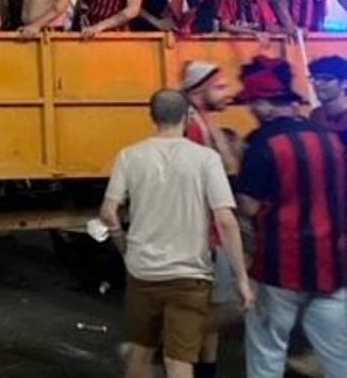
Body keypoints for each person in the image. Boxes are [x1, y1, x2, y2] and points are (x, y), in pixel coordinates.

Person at [99, 89, 252, 378]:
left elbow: (108, 212)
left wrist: (123, 246)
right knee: (178, 360)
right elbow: (226, 221)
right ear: (187, 116)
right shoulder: (206, 159)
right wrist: (241, 278)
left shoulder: (130, 156)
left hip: (143, 272)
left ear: (152, 117)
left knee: (140, 351)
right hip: (189, 276)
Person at [234, 56, 347, 378]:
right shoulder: (329, 138)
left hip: (280, 266)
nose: (253, 110)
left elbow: (249, 206)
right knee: (339, 357)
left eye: (255, 102)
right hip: (332, 264)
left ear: (268, 104)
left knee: (267, 352)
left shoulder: (264, 143)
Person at [179, 61, 243, 378]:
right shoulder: (191, 128)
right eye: (219, 87)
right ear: (199, 91)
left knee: (211, 311)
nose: (227, 92)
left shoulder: (201, 122)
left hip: (207, 233)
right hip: (202, 235)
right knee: (226, 307)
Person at [308, 54, 347, 147]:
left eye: (325, 79)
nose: (317, 84)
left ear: (344, 83)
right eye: (314, 78)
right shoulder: (316, 115)